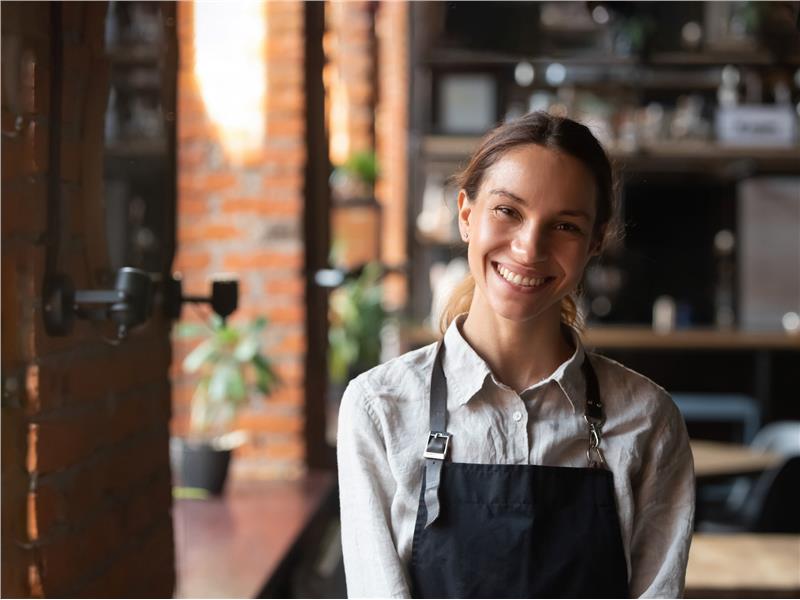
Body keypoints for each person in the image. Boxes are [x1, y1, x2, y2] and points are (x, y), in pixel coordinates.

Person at [337, 112, 695, 599]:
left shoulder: (648, 419)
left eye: (565, 225)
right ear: (466, 214)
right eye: (508, 211)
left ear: (594, 243)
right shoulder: (380, 407)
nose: (529, 248)